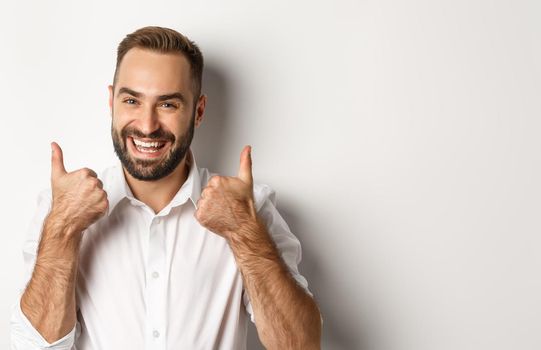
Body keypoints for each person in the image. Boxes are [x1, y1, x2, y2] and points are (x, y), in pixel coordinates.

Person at [9, 26, 322, 350]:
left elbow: (300, 345)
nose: (147, 125)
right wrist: (64, 229)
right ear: (111, 102)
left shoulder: (248, 210)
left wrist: (245, 233)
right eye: (132, 100)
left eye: (168, 105)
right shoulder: (60, 208)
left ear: (198, 111)